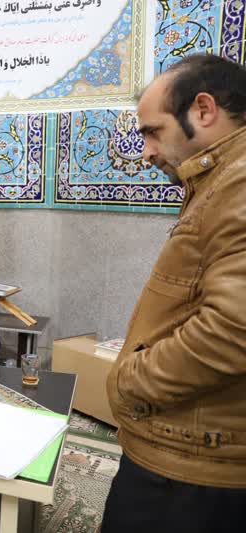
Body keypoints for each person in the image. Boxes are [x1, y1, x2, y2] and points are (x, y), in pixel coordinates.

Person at [102, 54, 246, 532]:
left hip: (192, 468)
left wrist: (130, 380)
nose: (146, 152)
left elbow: (233, 330)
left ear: (203, 110)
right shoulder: (219, 180)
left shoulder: (239, 182)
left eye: (153, 132)